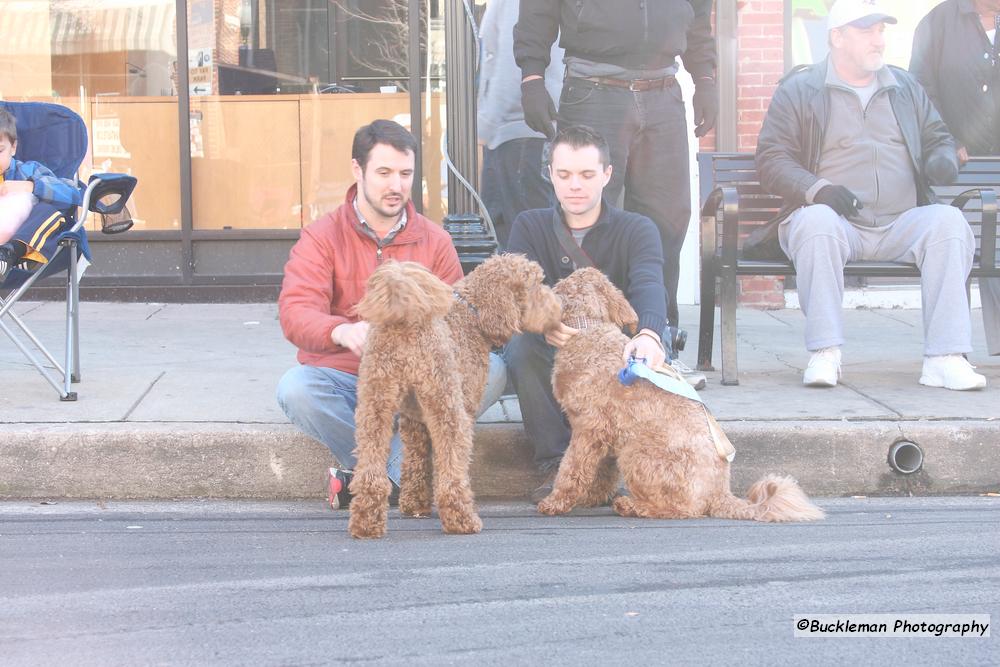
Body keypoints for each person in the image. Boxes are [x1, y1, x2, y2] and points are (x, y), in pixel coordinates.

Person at [755, 0, 986, 391]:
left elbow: (937, 138)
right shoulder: (800, 89)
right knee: (815, 221)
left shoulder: (905, 87)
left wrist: (943, 157)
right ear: (837, 37)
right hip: (837, 223)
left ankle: (944, 358)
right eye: (866, 31)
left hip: (901, 222)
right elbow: (772, 159)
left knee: (948, 221)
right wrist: (819, 190)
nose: (878, 40)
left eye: (881, 30)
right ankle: (825, 353)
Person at [275, 119, 507, 508]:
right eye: (384, 173)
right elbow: (295, 311)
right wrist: (342, 332)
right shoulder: (322, 236)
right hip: (350, 377)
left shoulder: (435, 240)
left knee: (495, 370)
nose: (396, 186)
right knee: (296, 389)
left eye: (405, 174)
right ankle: (403, 475)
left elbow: (459, 319)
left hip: (423, 384)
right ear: (357, 170)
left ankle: (374, 480)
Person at [513, 0, 717, 386]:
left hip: (664, 93)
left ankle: (659, 345)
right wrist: (532, 77)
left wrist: (705, 78)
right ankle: (580, 341)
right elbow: (537, 11)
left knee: (667, 226)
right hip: (594, 90)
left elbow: (699, 15)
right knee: (583, 219)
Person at [504, 125, 670, 501]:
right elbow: (518, 291)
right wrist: (542, 323)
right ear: (550, 174)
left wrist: (649, 333)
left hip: (617, 346)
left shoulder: (637, 228)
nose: (574, 185)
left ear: (607, 175)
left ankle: (621, 465)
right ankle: (556, 463)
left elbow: (649, 284)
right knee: (521, 349)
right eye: (564, 175)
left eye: (586, 175)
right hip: (553, 347)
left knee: (646, 352)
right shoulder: (528, 225)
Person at [910, 0, 1000, 358]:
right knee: (957, 246)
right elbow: (918, 87)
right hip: (954, 163)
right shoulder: (938, 21)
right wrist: (944, 138)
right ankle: (952, 348)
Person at [476, 0, 563, 250]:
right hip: (518, 131)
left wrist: (485, 125)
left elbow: (509, 66)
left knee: (523, 246)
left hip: (520, 133)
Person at [0, 109, 82, 283]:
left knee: (48, 210)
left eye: (0, 150)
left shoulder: (28, 171)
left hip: (24, 244)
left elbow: (74, 193)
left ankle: (11, 252)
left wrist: (30, 186)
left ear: (13, 147)